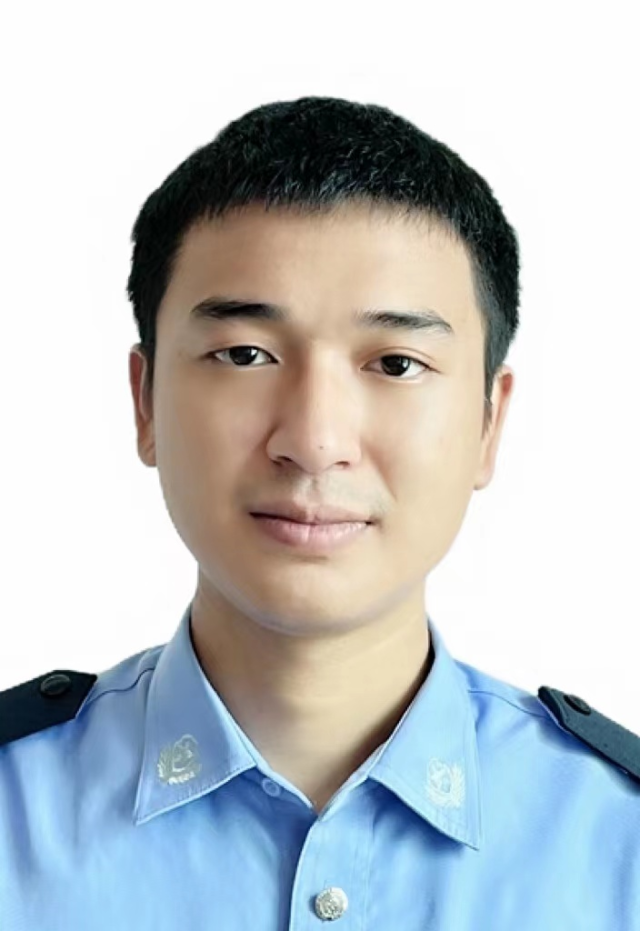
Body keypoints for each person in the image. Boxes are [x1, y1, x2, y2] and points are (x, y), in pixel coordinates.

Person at [1, 95, 638, 929]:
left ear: (489, 422)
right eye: (244, 353)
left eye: (396, 362)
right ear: (145, 399)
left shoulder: (619, 840)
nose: (314, 440)